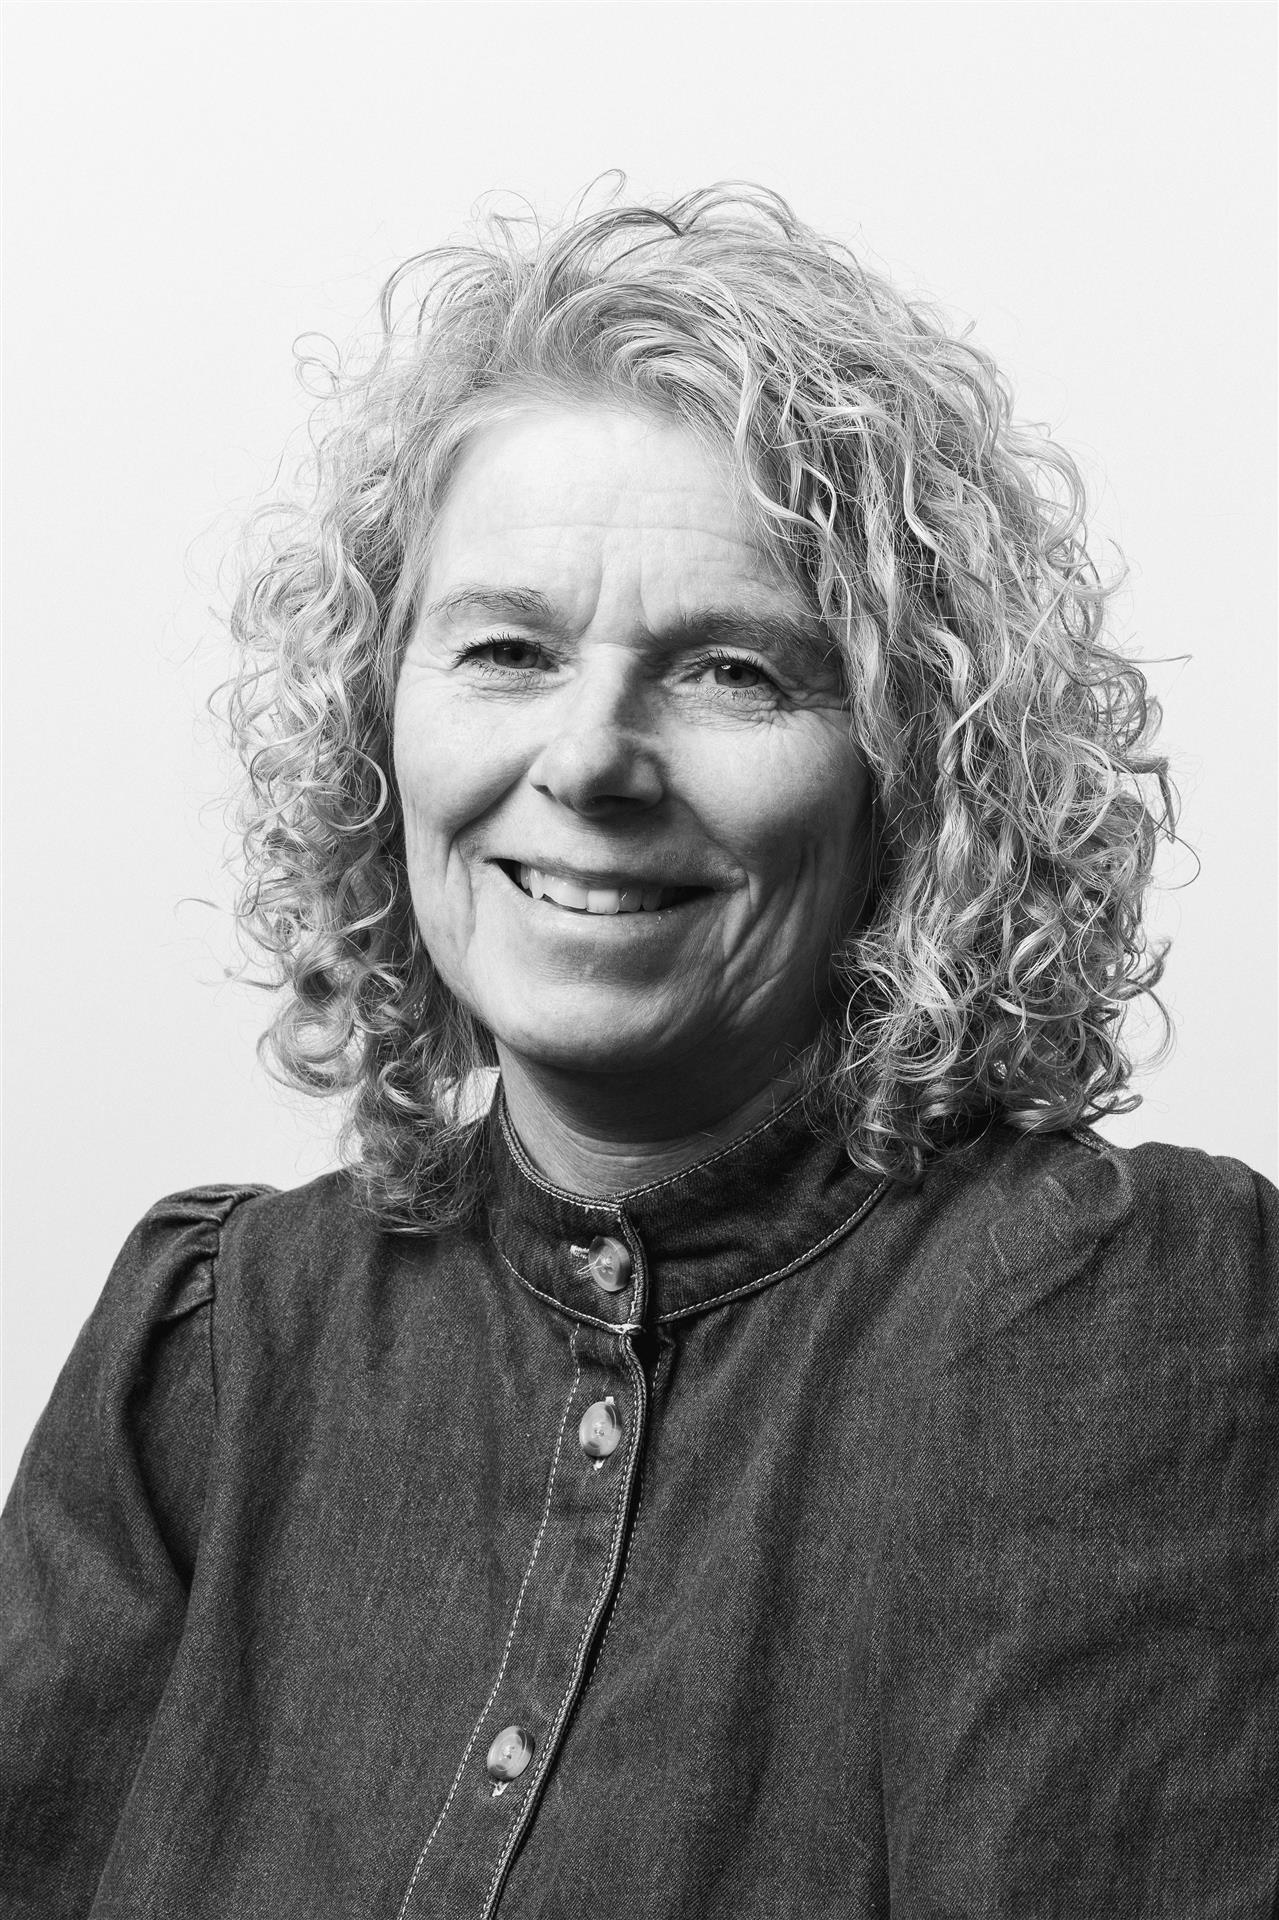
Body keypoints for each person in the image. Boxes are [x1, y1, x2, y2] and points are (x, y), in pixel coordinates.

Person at [2, 184, 1275, 1919]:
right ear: (380, 724)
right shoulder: (212, 1350)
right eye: (507, 649)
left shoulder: (1113, 1310)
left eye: (735, 671)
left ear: (913, 772)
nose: (592, 759)